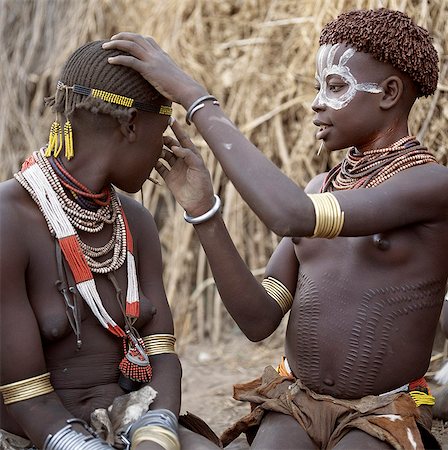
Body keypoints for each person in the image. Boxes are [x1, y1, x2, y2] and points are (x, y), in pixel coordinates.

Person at [102, 7, 448, 450]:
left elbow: (291, 215)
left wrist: (195, 98)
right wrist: (203, 209)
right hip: (298, 403)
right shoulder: (321, 187)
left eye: (336, 86)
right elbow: (259, 317)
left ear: (389, 93)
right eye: (317, 86)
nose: (317, 102)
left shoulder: (429, 186)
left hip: (380, 411)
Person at [0, 40, 220, 450]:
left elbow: (161, 355)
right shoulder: (9, 220)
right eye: (163, 128)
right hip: (40, 437)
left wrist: (155, 433)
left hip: (136, 423)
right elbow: (23, 394)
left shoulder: (134, 221)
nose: (164, 150)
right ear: (131, 124)